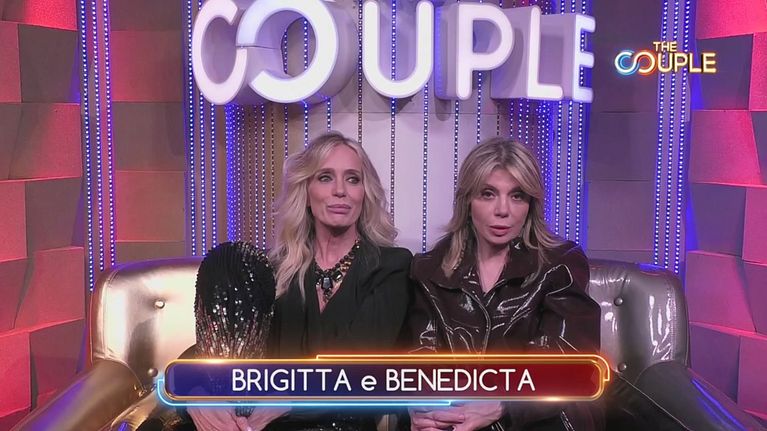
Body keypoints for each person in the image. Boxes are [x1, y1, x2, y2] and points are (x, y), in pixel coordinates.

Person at [405, 137, 603, 431]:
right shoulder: (430, 268)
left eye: (517, 196)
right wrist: (425, 407)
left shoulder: (559, 264)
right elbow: (420, 355)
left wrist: (502, 403)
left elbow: (567, 360)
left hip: (536, 420)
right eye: (488, 194)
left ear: (531, 204)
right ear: (467, 200)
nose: (502, 210)